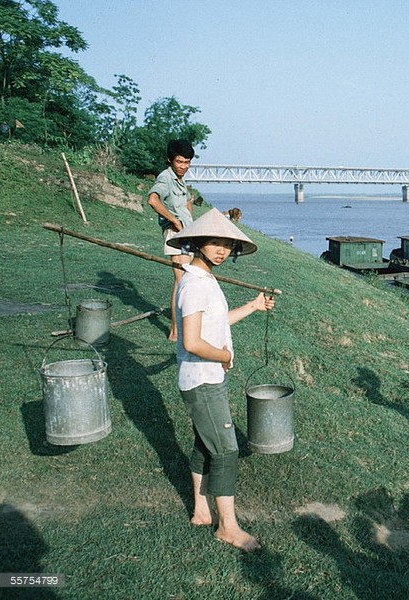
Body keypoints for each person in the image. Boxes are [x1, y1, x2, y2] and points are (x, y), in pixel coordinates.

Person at [166, 208, 275, 551]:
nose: (221, 250)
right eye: (214, 242)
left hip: (205, 377)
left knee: (205, 442)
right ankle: (228, 527)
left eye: (227, 244)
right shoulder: (195, 285)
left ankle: (201, 511)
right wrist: (226, 356)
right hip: (203, 379)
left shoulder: (203, 278)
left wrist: (253, 306)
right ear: (198, 242)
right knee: (226, 451)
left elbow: (217, 323)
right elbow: (192, 342)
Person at [147, 139, 196, 341]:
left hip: (186, 235)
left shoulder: (180, 179)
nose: (184, 166)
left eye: (187, 162)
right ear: (170, 160)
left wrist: (189, 223)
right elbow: (152, 199)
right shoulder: (165, 178)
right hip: (175, 236)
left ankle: (185, 327)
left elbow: (187, 202)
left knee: (187, 281)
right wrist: (173, 220)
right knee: (181, 282)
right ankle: (176, 332)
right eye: (180, 162)